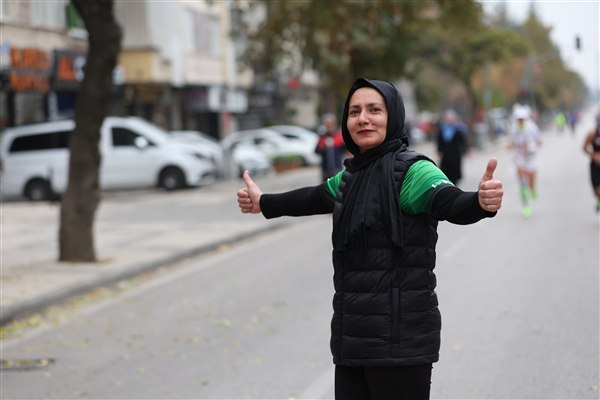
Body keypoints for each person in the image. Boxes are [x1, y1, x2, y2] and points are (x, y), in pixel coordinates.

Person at [237, 78, 503, 400]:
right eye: (354, 111)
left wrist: (479, 202)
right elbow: (312, 198)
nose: (363, 118)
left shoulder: (414, 172)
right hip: (352, 339)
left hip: (400, 343)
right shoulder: (350, 177)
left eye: (374, 110)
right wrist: (263, 202)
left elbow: (450, 202)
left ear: (393, 117)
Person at [508, 104, 542, 218]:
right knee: (522, 182)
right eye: (518, 119)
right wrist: (511, 146)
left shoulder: (532, 127)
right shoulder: (513, 128)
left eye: (522, 119)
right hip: (519, 157)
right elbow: (510, 142)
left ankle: (532, 188)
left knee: (531, 181)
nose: (520, 121)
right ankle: (526, 206)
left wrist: (530, 146)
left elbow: (539, 141)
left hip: (531, 156)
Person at [436, 109, 468, 187]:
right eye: (447, 119)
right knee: (445, 171)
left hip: (455, 154)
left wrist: (465, 151)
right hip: (445, 154)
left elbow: (463, 142)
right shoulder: (442, 129)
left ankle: (454, 185)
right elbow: (439, 141)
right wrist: (439, 151)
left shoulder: (458, 129)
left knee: (455, 171)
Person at [315, 113, 346, 181]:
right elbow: (316, 151)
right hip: (325, 169)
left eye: (330, 124)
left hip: (337, 168)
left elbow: (345, 150)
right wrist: (322, 147)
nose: (328, 126)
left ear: (334, 124)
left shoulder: (339, 136)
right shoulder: (322, 137)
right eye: (327, 125)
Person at [582, 113, 600, 212]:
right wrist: (593, 155)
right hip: (596, 165)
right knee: (597, 191)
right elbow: (584, 148)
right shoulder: (593, 134)